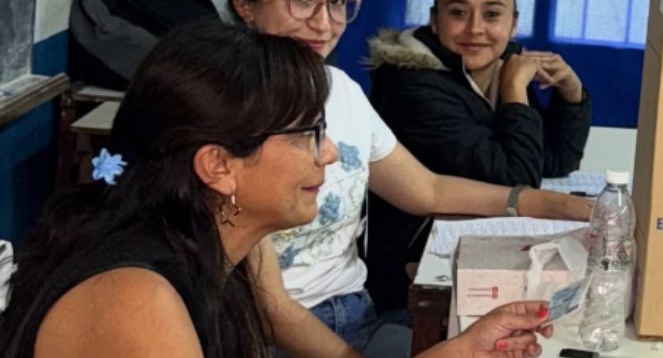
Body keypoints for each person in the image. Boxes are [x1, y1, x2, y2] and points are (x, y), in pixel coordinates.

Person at [0, 22, 556, 358]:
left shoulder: (220, 245)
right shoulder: (133, 299)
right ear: (219, 166)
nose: (332, 153)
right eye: (311, 134)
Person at [223, 0, 591, 357]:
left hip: (359, 315)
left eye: (337, 1)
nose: (323, 22)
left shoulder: (340, 90)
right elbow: (271, 307)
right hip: (269, 337)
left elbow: (427, 189)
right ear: (245, 3)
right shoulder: (225, 110)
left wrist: (563, 206)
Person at [364, 0, 592, 312]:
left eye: (492, 15)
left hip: (477, 248)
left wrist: (571, 94)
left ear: (513, 23)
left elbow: (556, 160)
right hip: (412, 271)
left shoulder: (499, 65)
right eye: (458, 13)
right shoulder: (410, 85)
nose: (475, 29)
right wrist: (515, 88)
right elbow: (517, 180)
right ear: (434, 19)